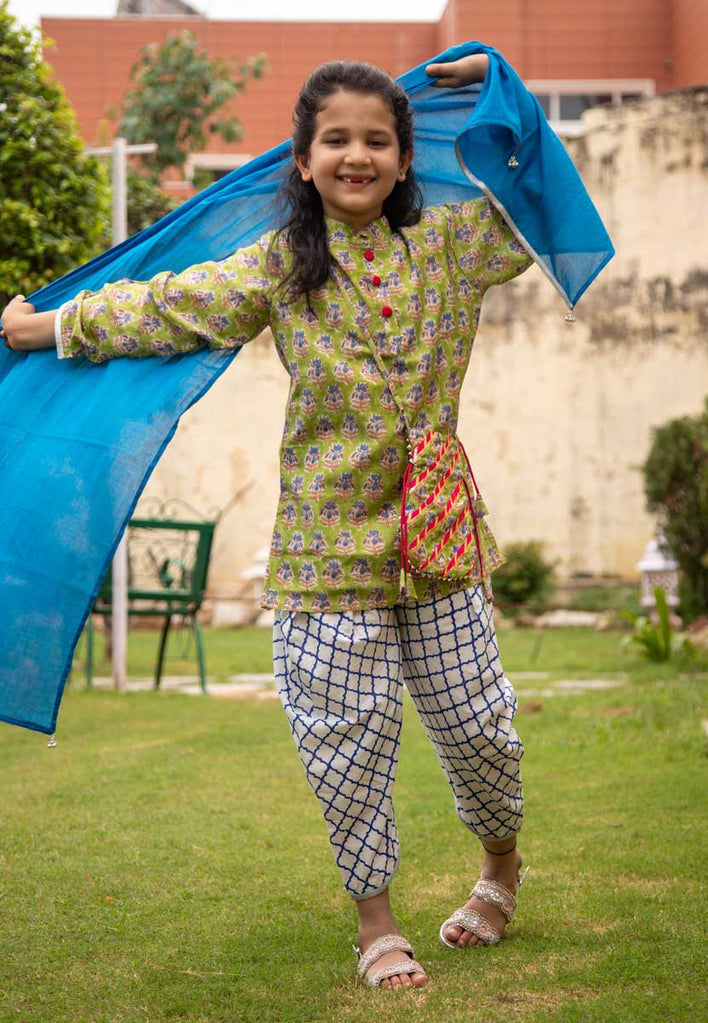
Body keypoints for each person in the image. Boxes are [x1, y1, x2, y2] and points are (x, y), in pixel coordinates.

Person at [2, 52, 533, 991]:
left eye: (377, 140)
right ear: (302, 158)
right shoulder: (283, 264)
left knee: (478, 724)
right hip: (326, 543)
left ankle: (500, 867)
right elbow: (172, 306)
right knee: (346, 740)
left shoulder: (454, 245)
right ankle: (376, 923)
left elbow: (536, 198)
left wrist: (493, 77)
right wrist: (50, 326)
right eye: (337, 140)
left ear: (405, 158)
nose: (357, 156)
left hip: (438, 532)